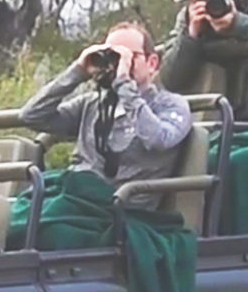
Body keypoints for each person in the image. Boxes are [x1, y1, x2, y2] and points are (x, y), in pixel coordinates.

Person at [19, 20, 194, 208]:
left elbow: (157, 139)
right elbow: (31, 116)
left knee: (53, 229)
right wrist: (78, 71)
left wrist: (124, 85)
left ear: (152, 63)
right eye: (112, 57)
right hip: (76, 198)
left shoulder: (170, 105)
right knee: (19, 219)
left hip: (124, 210)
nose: (118, 65)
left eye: (128, 57)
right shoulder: (91, 104)